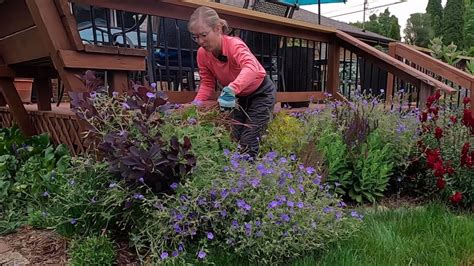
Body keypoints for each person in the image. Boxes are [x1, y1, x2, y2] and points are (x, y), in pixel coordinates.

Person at [187, 6, 276, 158]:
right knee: (233, 138)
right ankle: (237, 174)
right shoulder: (202, 54)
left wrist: (231, 89)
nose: (200, 41)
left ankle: (248, 177)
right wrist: (195, 106)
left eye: (203, 35)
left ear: (217, 28)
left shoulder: (234, 45)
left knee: (248, 139)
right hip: (239, 97)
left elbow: (252, 68)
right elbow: (207, 83)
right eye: (195, 37)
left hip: (261, 93)